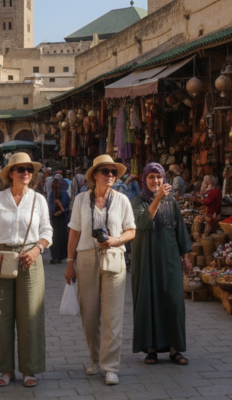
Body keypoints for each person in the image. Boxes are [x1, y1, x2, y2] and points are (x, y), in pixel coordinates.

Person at [0, 153, 53, 388]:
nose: (26, 173)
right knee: (0, 315)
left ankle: (30, 369)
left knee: (30, 315)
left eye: (29, 169)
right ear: (10, 173)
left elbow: (47, 231)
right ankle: (4, 368)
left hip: (30, 259)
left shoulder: (38, 199)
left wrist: (37, 250)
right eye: (20, 169)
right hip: (0, 259)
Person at [65, 155, 137, 386]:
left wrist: (116, 240)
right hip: (86, 257)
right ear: (94, 175)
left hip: (114, 256)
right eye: (105, 171)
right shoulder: (80, 200)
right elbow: (74, 232)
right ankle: (95, 358)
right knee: (89, 315)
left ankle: (110, 366)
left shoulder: (123, 200)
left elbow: (131, 231)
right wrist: (69, 262)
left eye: (113, 172)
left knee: (113, 315)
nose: (110, 175)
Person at [130, 163, 192, 366]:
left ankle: (175, 350)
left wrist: (185, 257)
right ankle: (151, 349)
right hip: (146, 260)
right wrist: (157, 199)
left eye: (159, 177)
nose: (155, 181)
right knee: (149, 301)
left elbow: (179, 230)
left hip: (170, 259)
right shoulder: (138, 201)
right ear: (145, 180)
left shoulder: (172, 202)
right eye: (151, 177)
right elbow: (142, 223)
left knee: (173, 302)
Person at [48, 171, 71, 264]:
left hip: (55, 218)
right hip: (62, 219)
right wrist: (62, 211)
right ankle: (61, 255)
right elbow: (68, 206)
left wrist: (55, 212)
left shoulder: (51, 194)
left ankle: (56, 256)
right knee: (61, 237)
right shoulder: (64, 193)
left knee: (55, 237)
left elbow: (50, 206)